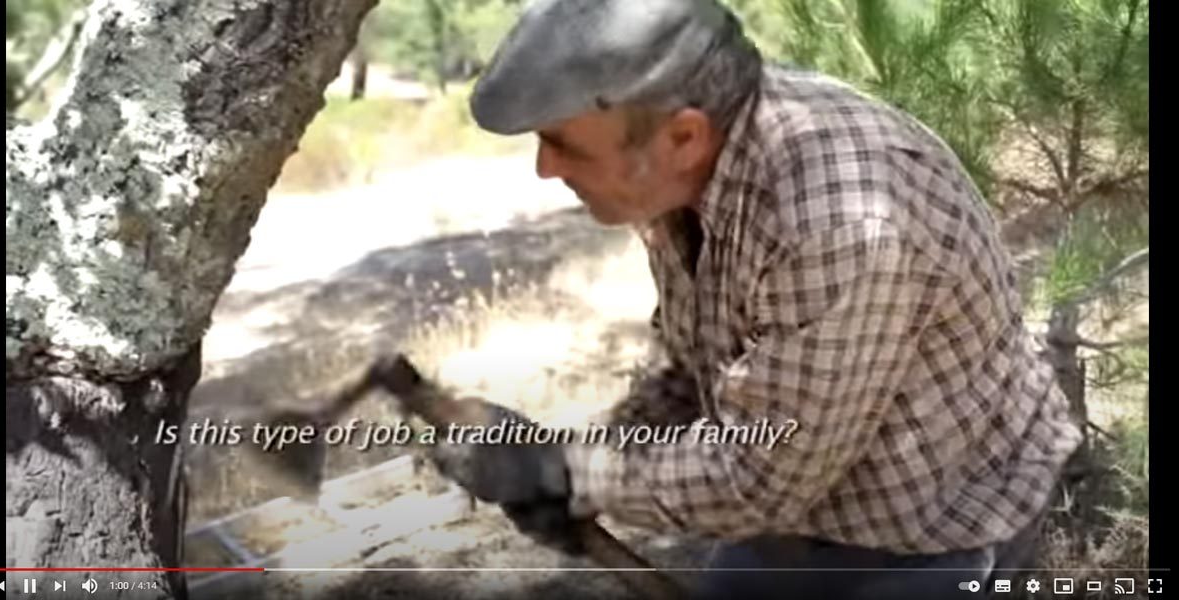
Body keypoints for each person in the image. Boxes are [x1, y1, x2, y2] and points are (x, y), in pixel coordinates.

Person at [427, 0, 1084, 597]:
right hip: (797, 508)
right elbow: (693, 364)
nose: (545, 167)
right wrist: (585, 461)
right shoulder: (675, 171)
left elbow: (761, 475)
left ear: (684, 137)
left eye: (562, 143)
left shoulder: (837, 220)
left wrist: (567, 473)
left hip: (935, 531)